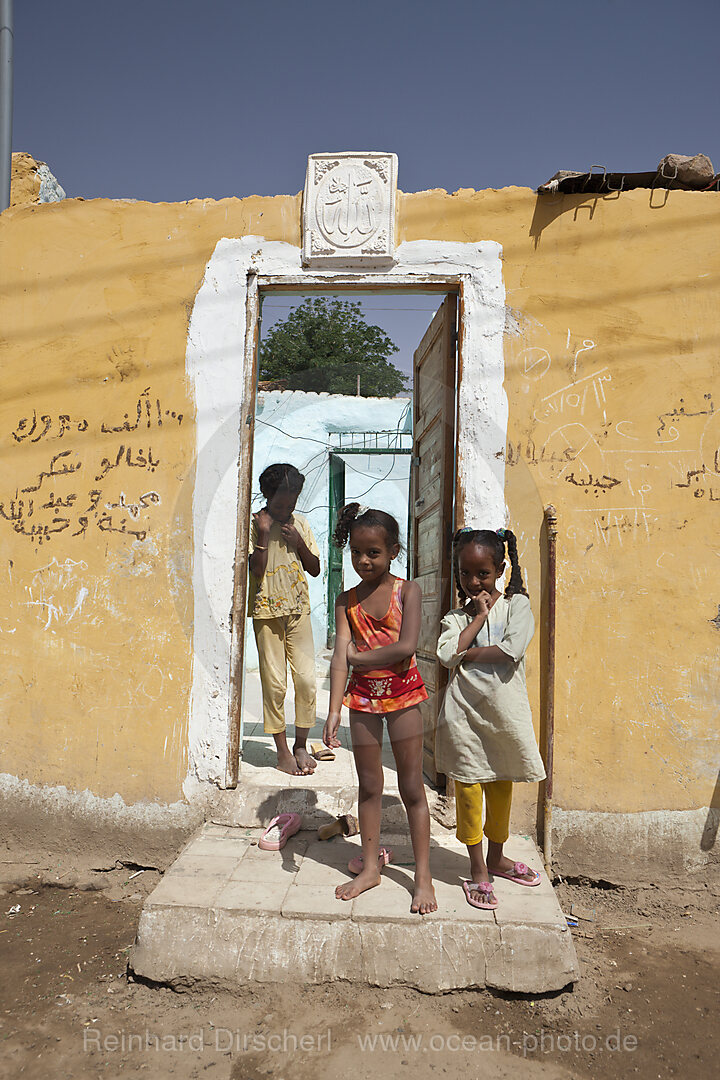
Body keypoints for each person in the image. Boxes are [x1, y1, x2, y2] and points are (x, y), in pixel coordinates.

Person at [323, 504, 437, 915]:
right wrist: (334, 711)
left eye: (373, 553)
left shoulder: (408, 591)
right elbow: (339, 656)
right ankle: (370, 868)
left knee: (411, 788)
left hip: (405, 697)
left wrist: (358, 659)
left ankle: (422, 877)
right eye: (356, 552)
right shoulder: (345, 600)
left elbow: (406, 647)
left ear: (393, 551)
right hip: (363, 703)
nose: (364, 561)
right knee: (369, 786)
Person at [435, 527, 546, 910]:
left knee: (501, 787)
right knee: (468, 791)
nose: (473, 581)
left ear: (500, 569)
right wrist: (478, 619)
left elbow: (511, 649)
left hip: (505, 717)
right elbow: (445, 655)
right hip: (463, 716)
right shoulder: (456, 616)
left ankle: (498, 856)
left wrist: (466, 653)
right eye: (465, 573)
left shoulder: (517, 606)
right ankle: (478, 867)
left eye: (482, 573)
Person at [249, 463, 321, 776]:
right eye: (280, 505)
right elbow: (255, 570)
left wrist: (299, 543)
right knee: (274, 683)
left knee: (306, 680)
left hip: (297, 609)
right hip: (266, 612)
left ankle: (301, 744)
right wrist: (264, 533)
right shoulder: (254, 524)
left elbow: (315, 568)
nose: (286, 511)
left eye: (291, 505)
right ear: (265, 497)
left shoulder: (300, 525)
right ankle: (281, 752)